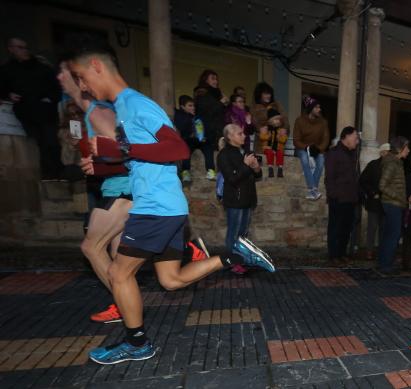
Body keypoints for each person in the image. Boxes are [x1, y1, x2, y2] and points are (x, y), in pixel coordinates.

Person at [66, 38, 274, 365]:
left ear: (97, 66)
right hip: (166, 206)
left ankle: (137, 344)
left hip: (155, 208)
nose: (82, 86)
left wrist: (120, 151)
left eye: (81, 76)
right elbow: (143, 159)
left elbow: (176, 149)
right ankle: (236, 254)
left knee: (121, 275)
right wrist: (105, 165)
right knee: (171, 279)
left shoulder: (135, 104)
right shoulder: (123, 109)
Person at [57, 58, 134, 324]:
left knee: (91, 247)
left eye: (64, 73)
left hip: (121, 190)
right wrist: (96, 162)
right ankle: (123, 304)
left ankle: (126, 306)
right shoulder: (92, 110)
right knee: (116, 256)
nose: (59, 78)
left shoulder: (98, 111)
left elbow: (125, 149)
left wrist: (98, 163)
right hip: (119, 188)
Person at [0, 38, 63, 179]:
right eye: (20, 48)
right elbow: (3, 89)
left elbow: (56, 89)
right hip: (26, 113)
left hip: (46, 113)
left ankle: (55, 175)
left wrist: (49, 99)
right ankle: (44, 176)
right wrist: (8, 95)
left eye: (26, 47)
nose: (24, 51)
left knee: (51, 143)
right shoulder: (6, 70)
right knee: (35, 145)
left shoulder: (41, 68)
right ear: (11, 49)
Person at [217, 123, 262, 275]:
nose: (244, 135)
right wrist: (245, 165)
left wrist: (256, 168)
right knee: (234, 233)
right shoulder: (224, 154)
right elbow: (232, 179)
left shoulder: (245, 151)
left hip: (248, 200)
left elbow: (257, 176)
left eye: (243, 133)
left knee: (243, 234)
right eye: (239, 133)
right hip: (235, 201)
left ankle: (240, 259)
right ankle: (232, 262)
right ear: (230, 137)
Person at [325, 126, 360, 265]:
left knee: (346, 228)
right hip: (338, 198)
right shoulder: (334, 153)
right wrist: (333, 195)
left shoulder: (352, 154)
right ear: (346, 137)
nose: (357, 141)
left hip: (350, 198)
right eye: (355, 137)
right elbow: (330, 178)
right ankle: (333, 255)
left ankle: (342, 253)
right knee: (335, 228)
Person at [377, 136, 410, 274]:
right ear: (400, 148)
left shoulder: (396, 162)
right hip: (392, 204)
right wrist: (399, 197)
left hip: (393, 203)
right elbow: (382, 185)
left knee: (389, 234)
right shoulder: (392, 163)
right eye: (407, 147)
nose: (408, 150)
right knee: (393, 235)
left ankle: (384, 262)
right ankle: (386, 265)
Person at [293, 95, 330, 200]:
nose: (319, 109)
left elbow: (326, 139)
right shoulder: (299, 121)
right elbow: (296, 140)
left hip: (317, 149)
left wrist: (318, 149)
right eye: (317, 107)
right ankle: (313, 188)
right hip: (302, 148)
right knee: (304, 158)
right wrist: (306, 147)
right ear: (310, 109)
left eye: (319, 107)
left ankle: (311, 191)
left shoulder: (323, 122)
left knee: (322, 160)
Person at [194, 69, 227, 180]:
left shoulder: (217, 94)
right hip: (208, 131)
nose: (216, 81)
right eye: (213, 78)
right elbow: (205, 111)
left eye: (216, 79)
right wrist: (221, 103)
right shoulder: (201, 93)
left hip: (218, 131)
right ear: (205, 80)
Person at [359, 143, 391, 260]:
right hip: (374, 202)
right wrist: (372, 193)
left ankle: (382, 251)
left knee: (384, 229)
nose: (389, 154)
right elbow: (363, 181)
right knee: (372, 228)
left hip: (387, 202)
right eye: (387, 152)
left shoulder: (392, 166)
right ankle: (369, 251)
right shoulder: (373, 165)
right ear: (382, 153)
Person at [174, 95, 205, 182]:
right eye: (190, 106)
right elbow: (182, 128)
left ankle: (211, 170)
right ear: (182, 107)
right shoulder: (179, 115)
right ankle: (185, 172)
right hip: (185, 140)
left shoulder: (194, 116)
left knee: (207, 145)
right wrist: (190, 119)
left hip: (195, 140)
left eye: (193, 106)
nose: (193, 108)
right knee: (186, 148)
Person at [259, 109, 288, 178]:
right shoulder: (266, 129)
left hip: (278, 148)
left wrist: (279, 137)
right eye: (276, 119)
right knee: (270, 152)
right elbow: (261, 137)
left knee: (280, 153)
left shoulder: (281, 130)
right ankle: (270, 168)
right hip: (268, 148)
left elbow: (284, 140)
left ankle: (280, 169)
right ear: (270, 121)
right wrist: (268, 136)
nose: (278, 121)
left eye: (278, 119)